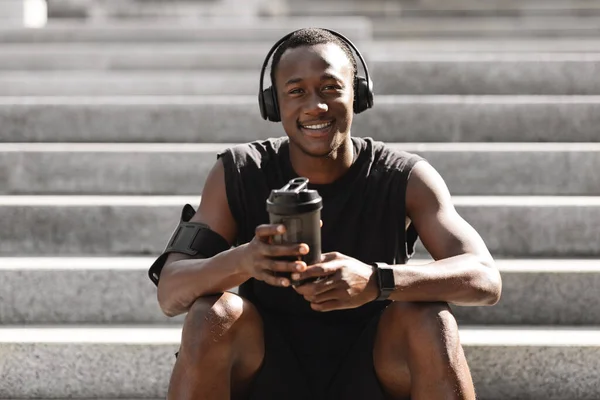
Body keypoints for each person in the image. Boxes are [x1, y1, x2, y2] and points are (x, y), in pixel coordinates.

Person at [149, 28, 502, 400]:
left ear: (358, 96)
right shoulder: (239, 171)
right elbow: (170, 292)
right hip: (268, 369)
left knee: (430, 320)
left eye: (331, 88)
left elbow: (484, 278)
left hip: (374, 368)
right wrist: (245, 260)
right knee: (210, 316)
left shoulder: (406, 177)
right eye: (296, 91)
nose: (315, 105)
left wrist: (375, 280)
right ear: (274, 105)